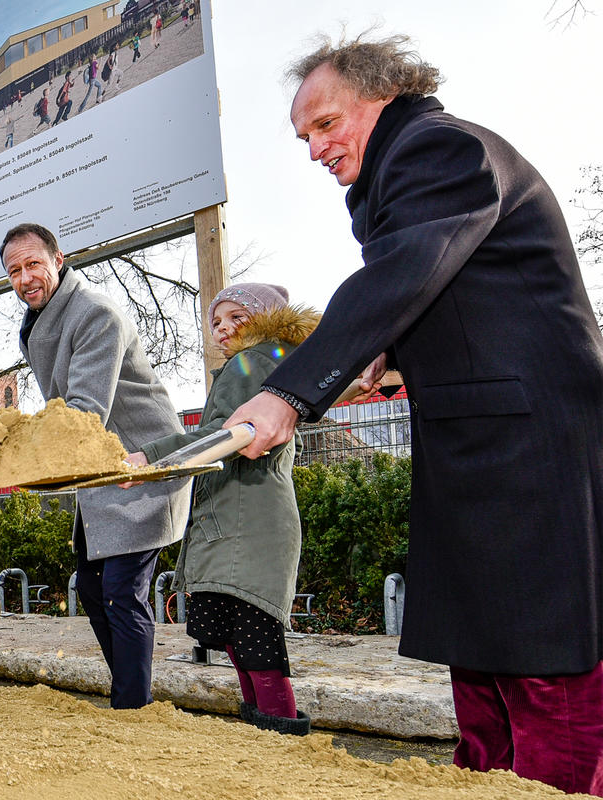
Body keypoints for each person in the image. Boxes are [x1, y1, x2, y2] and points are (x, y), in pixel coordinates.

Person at [224, 34, 603, 795]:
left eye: (326, 124)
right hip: (480, 441)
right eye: (304, 137)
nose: (314, 149)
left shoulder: (439, 148)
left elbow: (405, 270)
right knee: (486, 671)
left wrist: (290, 391)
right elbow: (458, 294)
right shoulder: (407, 172)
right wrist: (390, 358)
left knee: (544, 672)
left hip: (530, 450)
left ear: (382, 93)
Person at [0, 222, 190, 709]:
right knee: (90, 586)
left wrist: (13, 451)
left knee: (122, 592)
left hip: (140, 466)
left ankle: (132, 706)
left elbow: (84, 411)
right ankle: (130, 688)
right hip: (100, 474)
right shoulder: (43, 319)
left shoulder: (95, 314)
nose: (24, 278)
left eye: (33, 264)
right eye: (14, 271)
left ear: (58, 260)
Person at [128, 284, 317, 735]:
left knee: (254, 638)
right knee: (241, 637)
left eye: (238, 317)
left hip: (246, 521)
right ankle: (265, 729)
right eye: (216, 321)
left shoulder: (257, 359)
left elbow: (224, 434)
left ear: (267, 319)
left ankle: (278, 732)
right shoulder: (271, 361)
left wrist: (150, 456)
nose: (224, 328)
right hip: (240, 516)